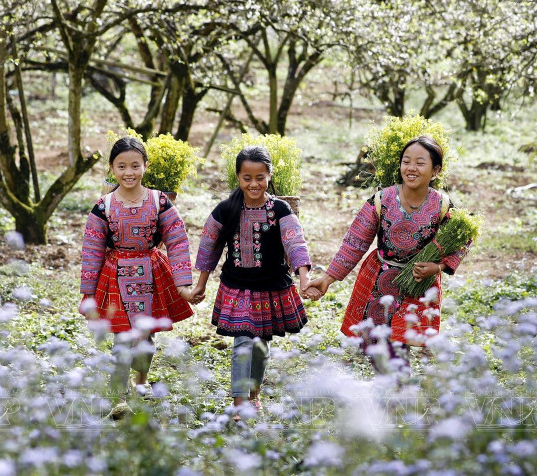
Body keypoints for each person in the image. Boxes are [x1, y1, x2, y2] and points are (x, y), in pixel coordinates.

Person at [306, 136, 470, 373]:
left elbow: (462, 239)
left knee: (399, 345)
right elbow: (354, 242)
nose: (411, 168)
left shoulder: (442, 205)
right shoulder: (382, 200)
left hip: (418, 284)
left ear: (435, 170)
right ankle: (392, 393)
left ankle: (398, 394)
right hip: (380, 282)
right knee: (378, 345)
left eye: (420, 163)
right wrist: (328, 279)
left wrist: (438, 267)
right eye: (406, 161)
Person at [189, 146, 312, 414]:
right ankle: (239, 404)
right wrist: (200, 284)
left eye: (260, 177)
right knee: (243, 342)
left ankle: (254, 390)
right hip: (237, 288)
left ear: (269, 175)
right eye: (247, 178)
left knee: (260, 347)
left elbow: (295, 243)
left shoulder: (280, 209)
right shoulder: (226, 209)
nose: (253, 183)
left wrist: (304, 279)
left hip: (270, 289)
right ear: (238, 177)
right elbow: (209, 245)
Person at [79, 137, 194, 398]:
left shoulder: (159, 201)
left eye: (134, 165)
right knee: (122, 337)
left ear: (145, 166)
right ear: (111, 168)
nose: (128, 172)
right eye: (121, 166)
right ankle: (118, 392)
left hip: (152, 275)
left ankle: (141, 381)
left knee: (145, 338)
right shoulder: (103, 206)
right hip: (115, 275)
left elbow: (176, 239)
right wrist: (88, 292)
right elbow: (92, 248)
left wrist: (183, 283)